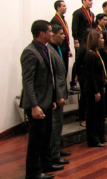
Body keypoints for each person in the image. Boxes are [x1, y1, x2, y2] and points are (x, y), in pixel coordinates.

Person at [20, 20, 65, 179]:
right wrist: (34, 105)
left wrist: (52, 98)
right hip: (36, 104)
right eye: (50, 31)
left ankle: (46, 164)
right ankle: (33, 172)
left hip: (46, 101)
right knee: (36, 140)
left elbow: (49, 78)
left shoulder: (45, 49)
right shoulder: (30, 52)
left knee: (46, 136)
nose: (52, 33)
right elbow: (28, 81)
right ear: (41, 33)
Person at [48, 24, 70, 165]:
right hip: (55, 95)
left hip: (60, 92)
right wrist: (58, 96)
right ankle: (54, 154)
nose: (64, 36)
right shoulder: (49, 51)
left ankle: (57, 148)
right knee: (55, 125)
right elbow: (53, 77)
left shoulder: (58, 48)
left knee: (59, 124)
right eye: (61, 34)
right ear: (53, 35)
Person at [84, 30, 107, 147]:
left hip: (99, 86)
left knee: (100, 113)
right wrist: (96, 91)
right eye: (101, 38)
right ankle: (93, 139)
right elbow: (90, 75)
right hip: (93, 89)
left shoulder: (97, 53)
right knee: (92, 115)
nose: (103, 40)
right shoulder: (90, 54)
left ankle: (100, 135)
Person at [71, 0, 94, 90]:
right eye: (89, 0)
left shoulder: (92, 14)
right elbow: (74, 27)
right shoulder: (78, 13)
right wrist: (76, 40)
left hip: (89, 40)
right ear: (83, 1)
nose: (91, 2)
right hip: (81, 40)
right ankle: (74, 81)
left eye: (92, 0)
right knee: (78, 60)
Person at [75, 28, 93, 127]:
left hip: (89, 74)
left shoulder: (91, 47)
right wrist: (77, 75)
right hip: (83, 75)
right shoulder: (83, 48)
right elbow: (77, 63)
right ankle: (82, 117)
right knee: (84, 97)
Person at [51, 0, 72, 77]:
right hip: (59, 47)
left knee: (65, 68)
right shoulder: (55, 20)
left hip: (64, 46)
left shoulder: (63, 19)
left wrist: (68, 48)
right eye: (63, 6)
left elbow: (65, 35)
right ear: (58, 8)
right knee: (61, 69)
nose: (66, 7)